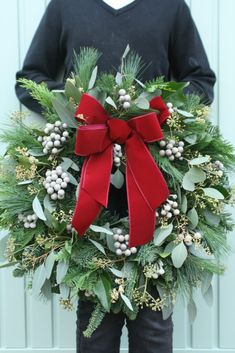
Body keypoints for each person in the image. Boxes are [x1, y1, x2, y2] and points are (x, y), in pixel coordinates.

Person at [15, 1, 216, 352]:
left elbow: (200, 80)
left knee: (154, 329)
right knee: (96, 329)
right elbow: (30, 78)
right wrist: (82, 109)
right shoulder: (66, 6)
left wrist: (153, 112)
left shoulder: (170, 6)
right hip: (85, 185)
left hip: (157, 186)